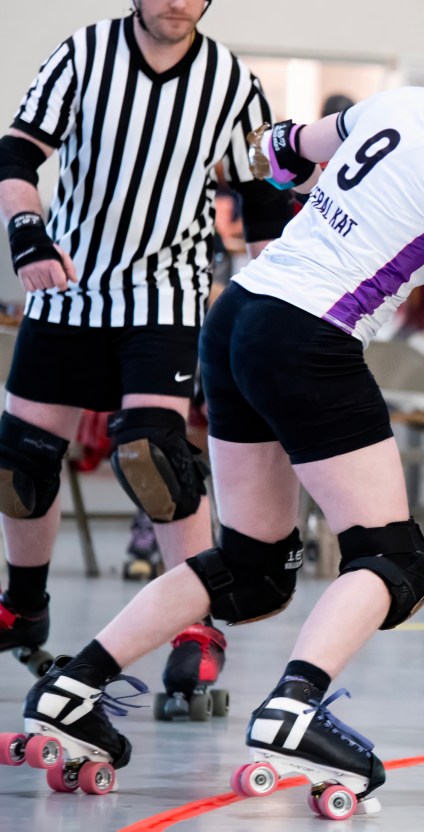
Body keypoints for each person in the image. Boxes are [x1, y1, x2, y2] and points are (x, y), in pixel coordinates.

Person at [16, 16, 424, 810]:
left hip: (237, 317)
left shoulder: (402, 102)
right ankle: (292, 711)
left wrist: (316, 192)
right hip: (307, 339)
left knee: (252, 569)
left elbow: (276, 150)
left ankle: (71, 689)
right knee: (395, 561)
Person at [0, 0, 294, 717]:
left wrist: (277, 293)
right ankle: (24, 604)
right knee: (18, 462)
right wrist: (27, 232)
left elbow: (260, 194)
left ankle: (195, 625)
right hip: (67, 285)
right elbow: (16, 152)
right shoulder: (85, 54)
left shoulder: (231, 81)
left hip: (165, 294)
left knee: (153, 457)